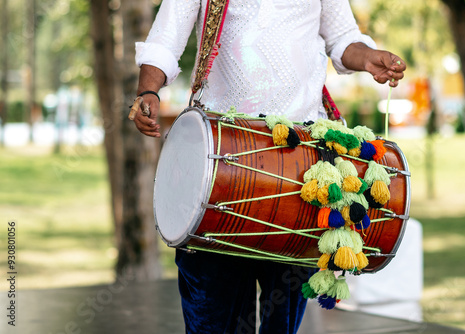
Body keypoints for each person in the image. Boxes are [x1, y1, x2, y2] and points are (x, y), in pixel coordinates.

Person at [133, 1, 406, 333]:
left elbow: (343, 38)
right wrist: (148, 89)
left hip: (303, 167)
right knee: (214, 316)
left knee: (283, 319)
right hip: (221, 162)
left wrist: (367, 57)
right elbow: (166, 37)